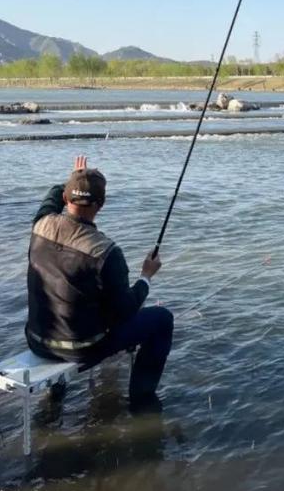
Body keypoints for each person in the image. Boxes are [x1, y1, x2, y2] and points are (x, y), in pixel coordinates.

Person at [25, 155, 174, 411]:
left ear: (65, 199)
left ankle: (55, 394)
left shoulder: (40, 225)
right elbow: (125, 311)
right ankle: (142, 401)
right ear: (101, 204)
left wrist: (73, 179)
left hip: (37, 340)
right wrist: (146, 277)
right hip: (82, 350)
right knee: (162, 320)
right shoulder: (106, 252)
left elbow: (51, 197)